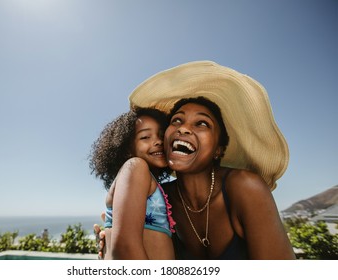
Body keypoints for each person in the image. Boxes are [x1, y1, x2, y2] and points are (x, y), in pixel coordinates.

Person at [95, 61, 295, 259]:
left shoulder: (245, 187)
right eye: (176, 121)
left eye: (202, 123)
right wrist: (109, 241)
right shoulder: (160, 198)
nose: (183, 128)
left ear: (219, 149)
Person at [89, 108, 176, 259]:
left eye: (162, 135)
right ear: (127, 149)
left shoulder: (147, 179)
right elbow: (125, 247)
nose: (158, 141)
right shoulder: (136, 166)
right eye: (145, 137)